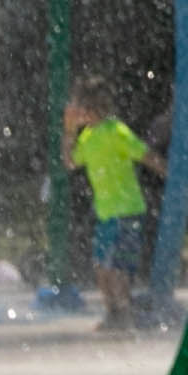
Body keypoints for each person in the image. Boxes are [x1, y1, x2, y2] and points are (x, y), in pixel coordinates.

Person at [62, 90, 160, 333]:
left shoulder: (116, 131)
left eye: (77, 106)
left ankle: (124, 316)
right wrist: (69, 132)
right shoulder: (87, 136)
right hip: (106, 213)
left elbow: (146, 155)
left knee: (117, 267)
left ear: (91, 109)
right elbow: (71, 162)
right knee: (101, 268)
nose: (73, 111)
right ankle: (113, 314)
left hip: (127, 210)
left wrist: (173, 175)